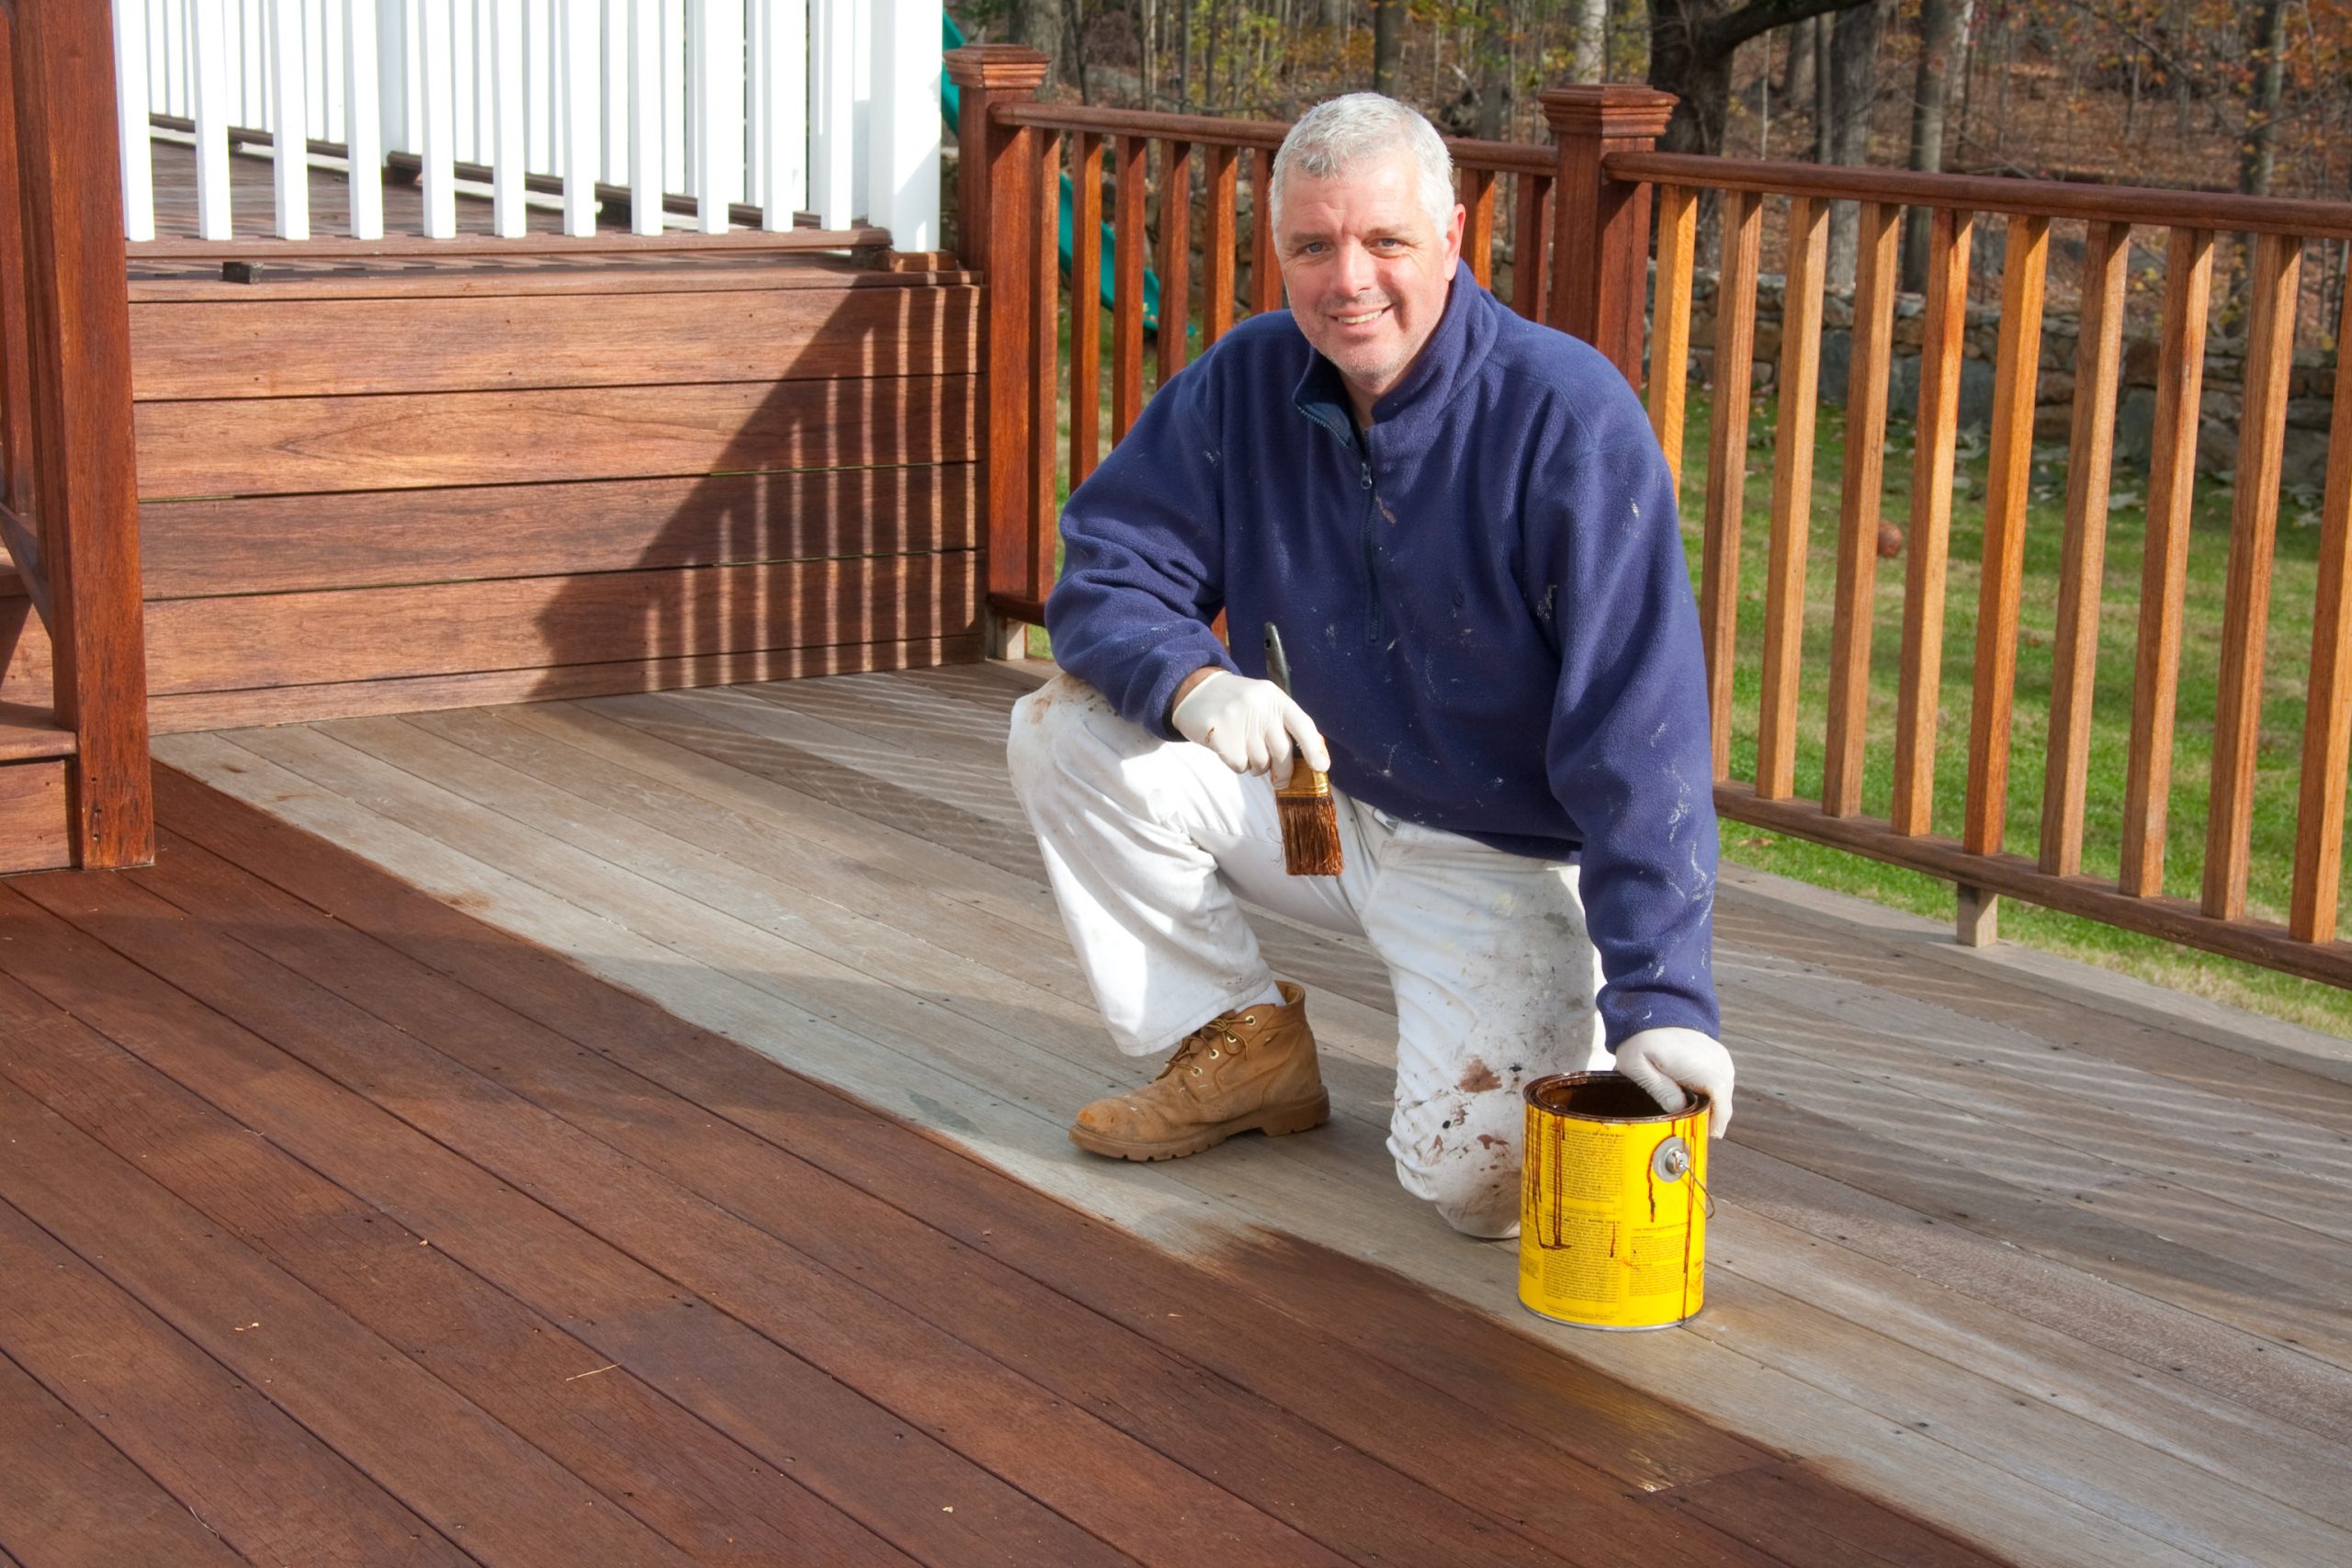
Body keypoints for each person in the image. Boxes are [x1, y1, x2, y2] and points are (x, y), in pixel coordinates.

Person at [1005, 92, 1732, 1238]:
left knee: (1478, 1190)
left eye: (1385, 240)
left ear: (1453, 237)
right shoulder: (1246, 381)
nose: (1349, 279)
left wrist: (1665, 999)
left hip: (1498, 857)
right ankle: (1235, 1046)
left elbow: (1640, 732)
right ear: (1280, 252)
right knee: (1065, 730)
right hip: (1319, 805)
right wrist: (1195, 685)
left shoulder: (1566, 417)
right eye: (1313, 245)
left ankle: (1568, 1016)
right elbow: (1104, 569)